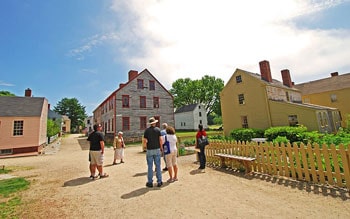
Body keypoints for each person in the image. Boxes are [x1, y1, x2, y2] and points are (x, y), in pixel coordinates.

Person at [143, 117, 163, 188]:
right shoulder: (158, 130)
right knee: (158, 166)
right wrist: (161, 147)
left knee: (150, 166)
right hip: (157, 149)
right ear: (154, 123)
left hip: (150, 149)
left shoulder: (147, 131)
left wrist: (145, 147)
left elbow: (145, 141)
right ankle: (159, 181)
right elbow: (160, 140)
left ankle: (150, 182)